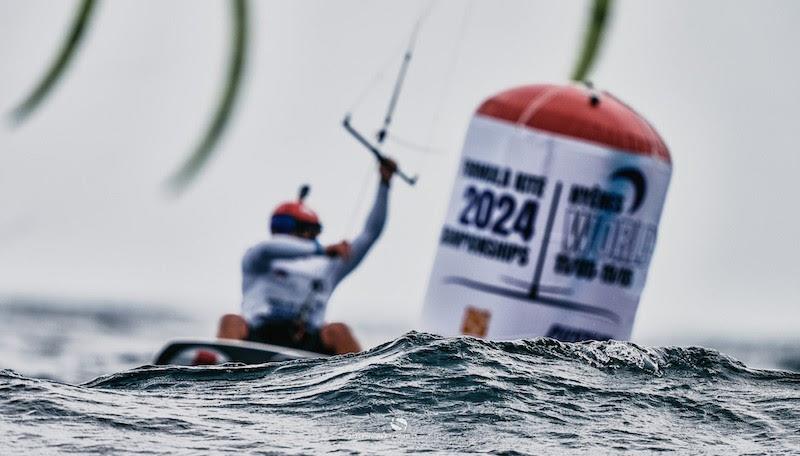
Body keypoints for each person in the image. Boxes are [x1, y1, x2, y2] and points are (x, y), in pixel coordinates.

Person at [217, 159, 397, 355]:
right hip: (258, 337)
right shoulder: (260, 258)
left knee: (338, 330)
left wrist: (384, 184)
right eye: (307, 232)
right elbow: (269, 247)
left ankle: (362, 381)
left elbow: (371, 234)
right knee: (231, 321)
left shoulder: (329, 264)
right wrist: (320, 250)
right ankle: (225, 372)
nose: (311, 238)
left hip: (306, 343)